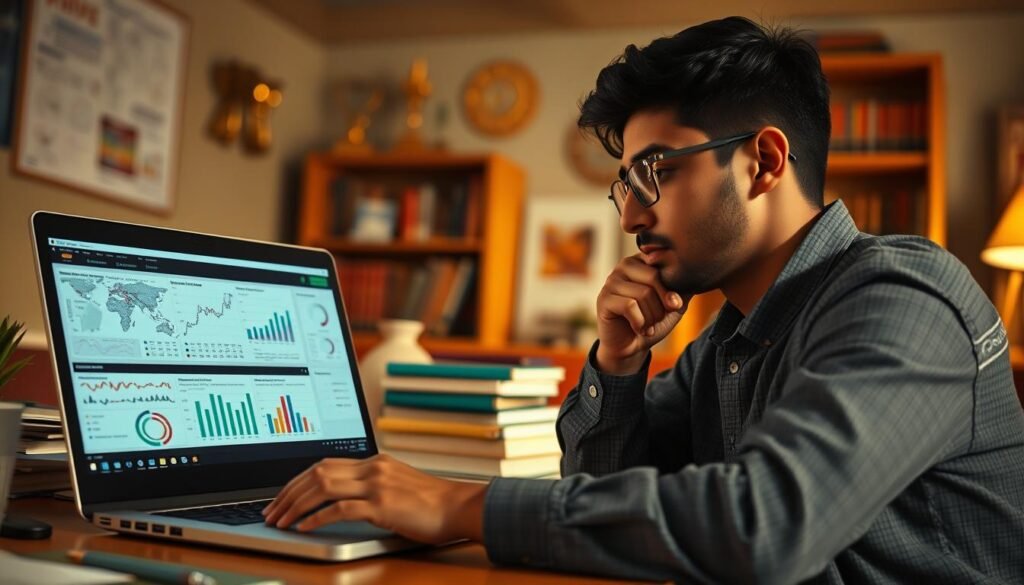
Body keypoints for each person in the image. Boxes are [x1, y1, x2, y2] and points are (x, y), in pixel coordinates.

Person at [262, 16, 1024, 583]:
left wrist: (456, 504)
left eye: (655, 170)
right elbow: (597, 505)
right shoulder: (728, 341)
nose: (629, 215)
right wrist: (619, 365)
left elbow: (764, 525)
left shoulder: (905, 295)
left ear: (763, 161)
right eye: (625, 183)